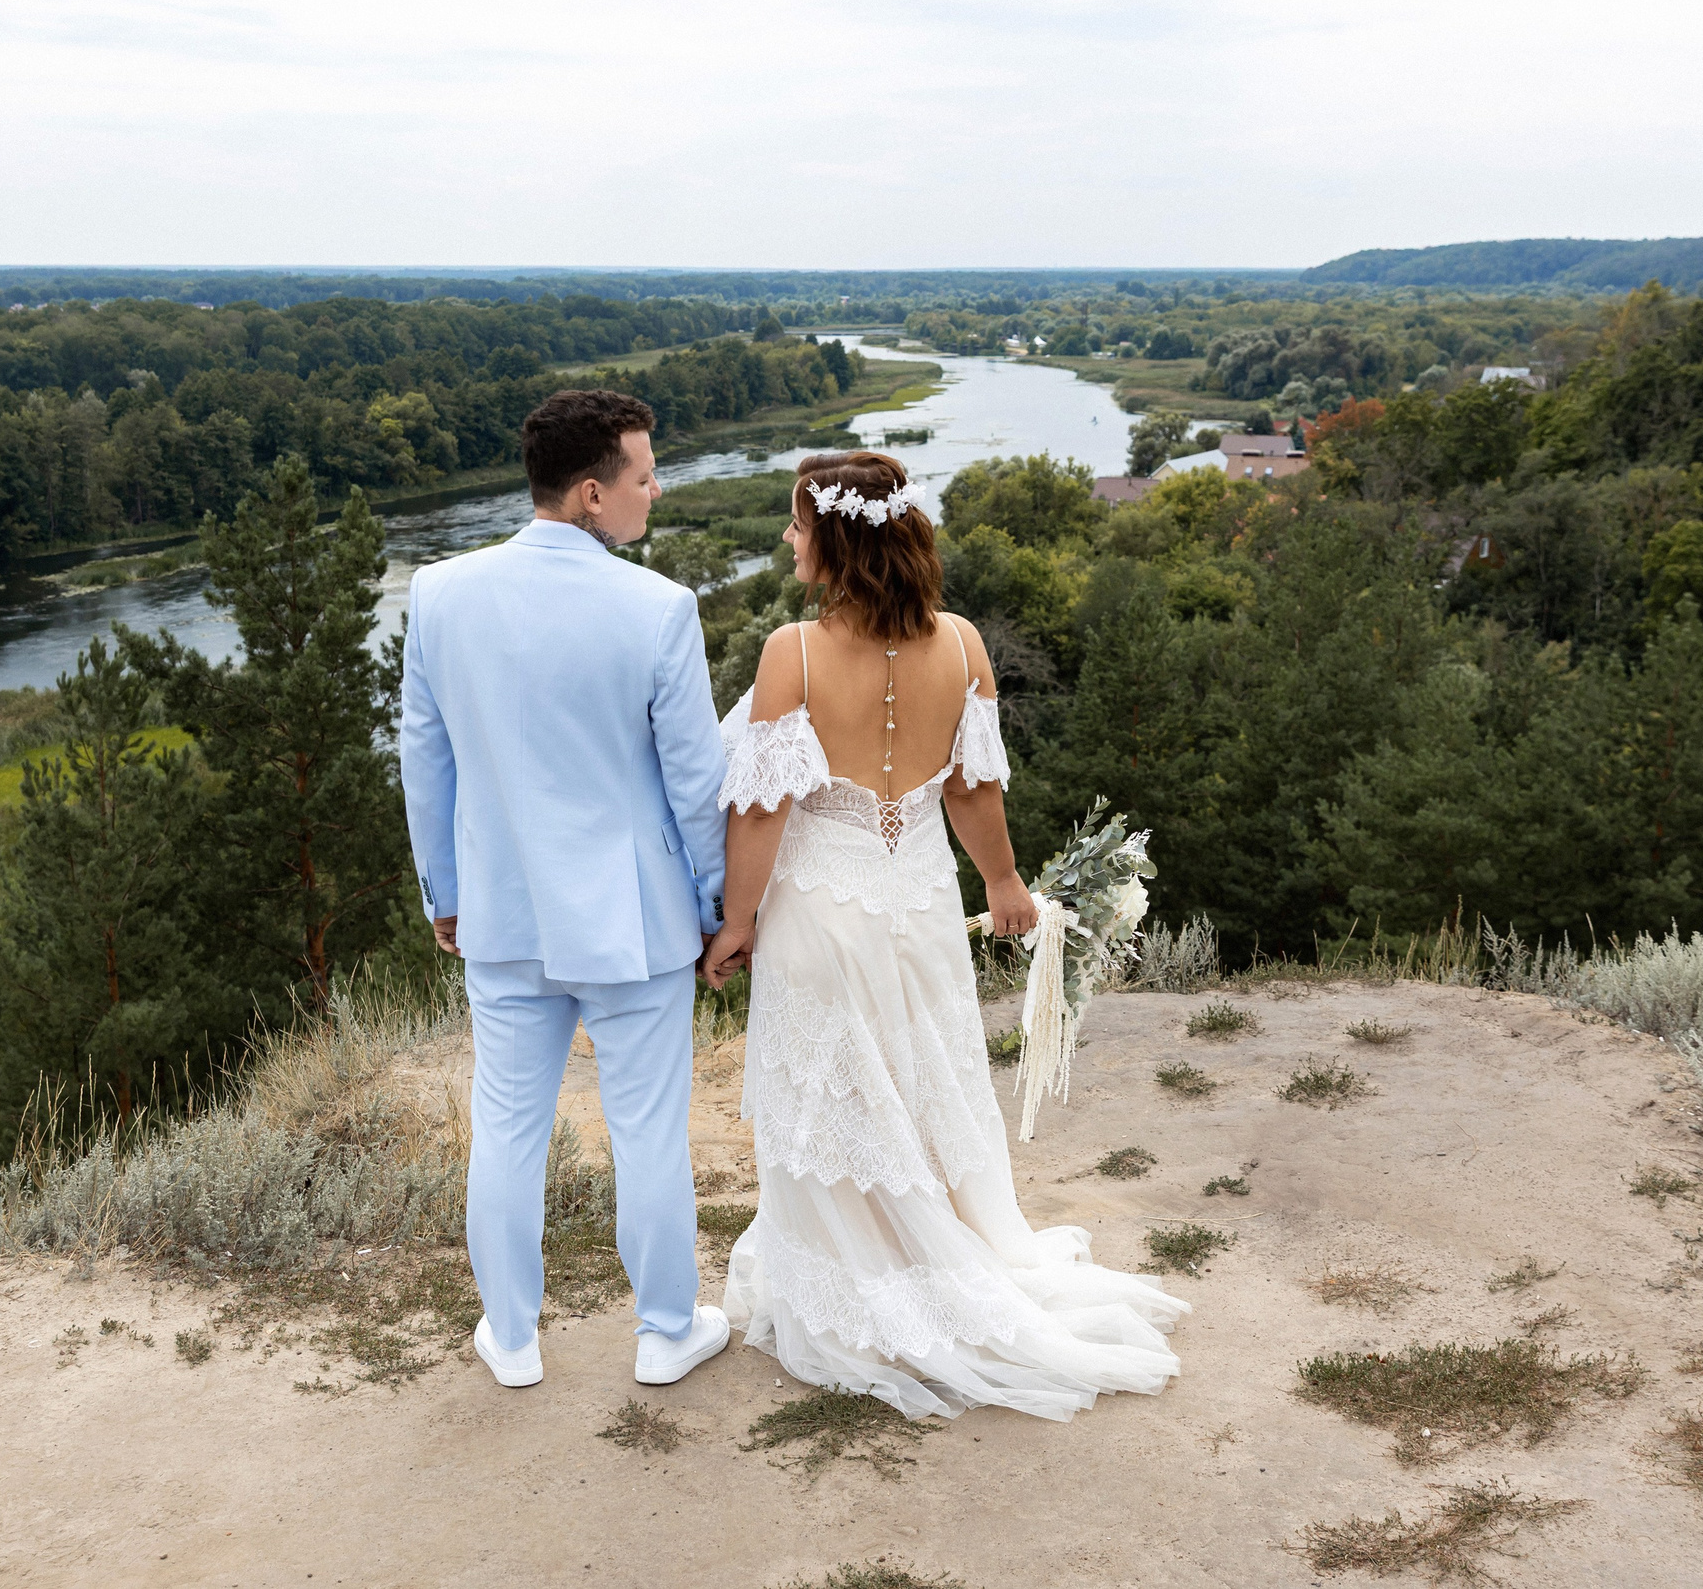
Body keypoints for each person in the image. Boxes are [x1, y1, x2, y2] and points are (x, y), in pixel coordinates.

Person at [699, 449, 1185, 1420]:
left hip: (821, 910)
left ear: (837, 540)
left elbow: (759, 810)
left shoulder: (792, 652)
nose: (788, 539)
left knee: (833, 1093)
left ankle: (862, 1290)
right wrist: (1001, 879)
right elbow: (973, 787)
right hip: (918, 903)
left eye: (797, 524)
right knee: (920, 1080)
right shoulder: (961, 642)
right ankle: (931, 1256)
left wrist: (736, 920)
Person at [400, 389, 733, 1390]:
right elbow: (697, 785)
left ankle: (510, 1337)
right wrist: (718, 911)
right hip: (637, 922)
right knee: (647, 1132)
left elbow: (424, 759)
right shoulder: (658, 607)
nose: (654, 490)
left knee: (505, 1126)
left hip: (501, 914)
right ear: (592, 492)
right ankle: (665, 1331)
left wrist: (444, 892)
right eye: (643, 476)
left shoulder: (440, 592)